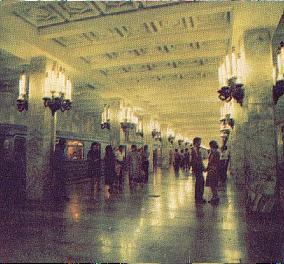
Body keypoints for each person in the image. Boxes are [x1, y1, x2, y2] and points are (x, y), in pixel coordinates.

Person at [191, 137, 206, 204]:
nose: (200, 143)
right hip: (197, 168)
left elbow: (199, 159)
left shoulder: (197, 149)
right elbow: (196, 160)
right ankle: (199, 198)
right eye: (199, 142)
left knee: (199, 182)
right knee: (200, 182)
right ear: (196, 142)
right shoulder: (194, 150)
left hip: (198, 168)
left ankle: (199, 197)